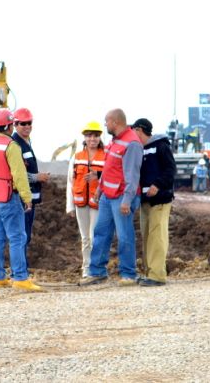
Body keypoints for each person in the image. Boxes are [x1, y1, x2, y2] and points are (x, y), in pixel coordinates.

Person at [0, 108, 42, 292]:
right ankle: (20, 278)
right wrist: (27, 197)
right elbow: (19, 175)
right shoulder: (11, 146)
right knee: (17, 236)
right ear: (8, 125)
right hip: (8, 196)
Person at [80, 108, 142, 286]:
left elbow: (132, 175)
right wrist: (99, 190)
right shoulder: (115, 142)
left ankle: (129, 274)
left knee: (124, 236)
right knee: (101, 233)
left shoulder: (132, 144)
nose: (105, 124)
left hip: (122, 197)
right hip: (108, 196)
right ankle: (97, 272)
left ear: (115, 122)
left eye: (106, 122)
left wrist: (127, 201)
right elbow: (108, 169)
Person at [131, 118, 176, 287]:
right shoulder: (139, 149)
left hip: (160, 200)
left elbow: (170, 170)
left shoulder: (160, 146)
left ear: (140, 130)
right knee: (148, 236)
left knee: (157, 237)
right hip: (145, 202)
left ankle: (157, 275)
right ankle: (149, 272)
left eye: (133, 130)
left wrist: (157, 185)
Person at [11, 107, 50, 273]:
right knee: (21, 236)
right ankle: (19, 272)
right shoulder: (15, 145)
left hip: (30, 198)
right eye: (23, 123)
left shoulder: (26, 142)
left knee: (25, 235)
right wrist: (36, 178)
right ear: (15, 124)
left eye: (29, 123)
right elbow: (16, 173)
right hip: (22, 199)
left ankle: (21, 270)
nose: (27, 126)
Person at [65, 121, 106, 278]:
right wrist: (70, 206)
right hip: (81, 203)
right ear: (84, 138)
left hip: (98, 203)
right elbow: (70, 181)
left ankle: (95, 267)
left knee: (94, 236)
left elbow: (110, 176)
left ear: (99, 137)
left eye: (95, 136)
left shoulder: (106, 156)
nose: (92, 139)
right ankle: (86, 268)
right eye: (89, 136)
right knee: (85, 238)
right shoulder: (76, 157)